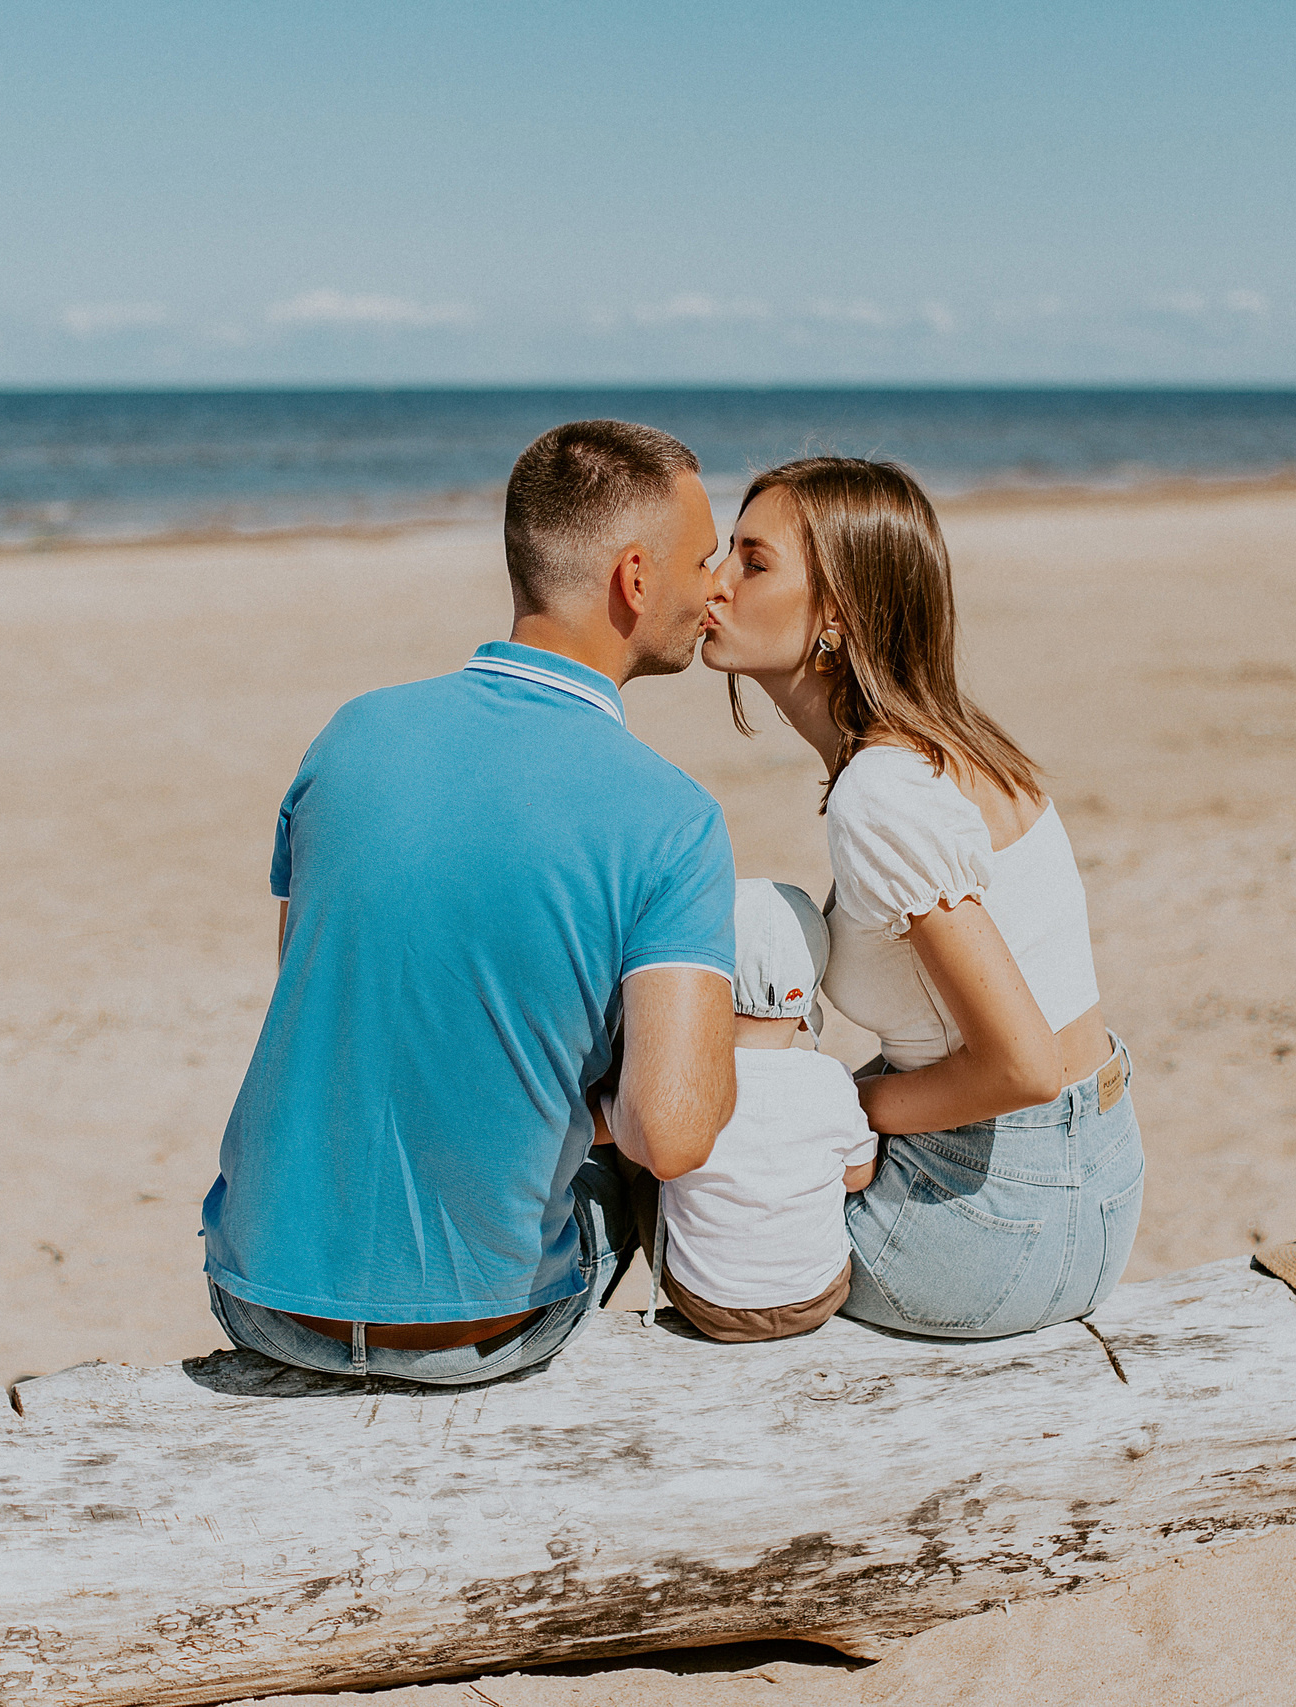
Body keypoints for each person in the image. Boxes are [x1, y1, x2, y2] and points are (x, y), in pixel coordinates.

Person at [200, 420, 739, 1384]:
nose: (717, 589)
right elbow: (675, 1131)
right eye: (703, 560)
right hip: (482, 1329)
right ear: (635, 578)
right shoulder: (673, 816)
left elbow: (327, 994)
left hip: (262, 1295)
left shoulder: (351, 734)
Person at [699, 456, 1143, 1339]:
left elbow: (1022, 1067)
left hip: (990, 1222)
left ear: (839, 614)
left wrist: (844, 1109)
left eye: (753, 562)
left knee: (699, 1172)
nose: (714, 583)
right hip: (1098, 1186)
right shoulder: (954, 747)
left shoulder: (882, 793)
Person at [608, 879, 879, 1343]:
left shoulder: (690, 1082)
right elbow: (858, 1177)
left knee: (644, 1152)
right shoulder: (832, 1080)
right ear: (806, 1006)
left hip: (707, 1303)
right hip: (818, 1297)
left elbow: (647, 1141)